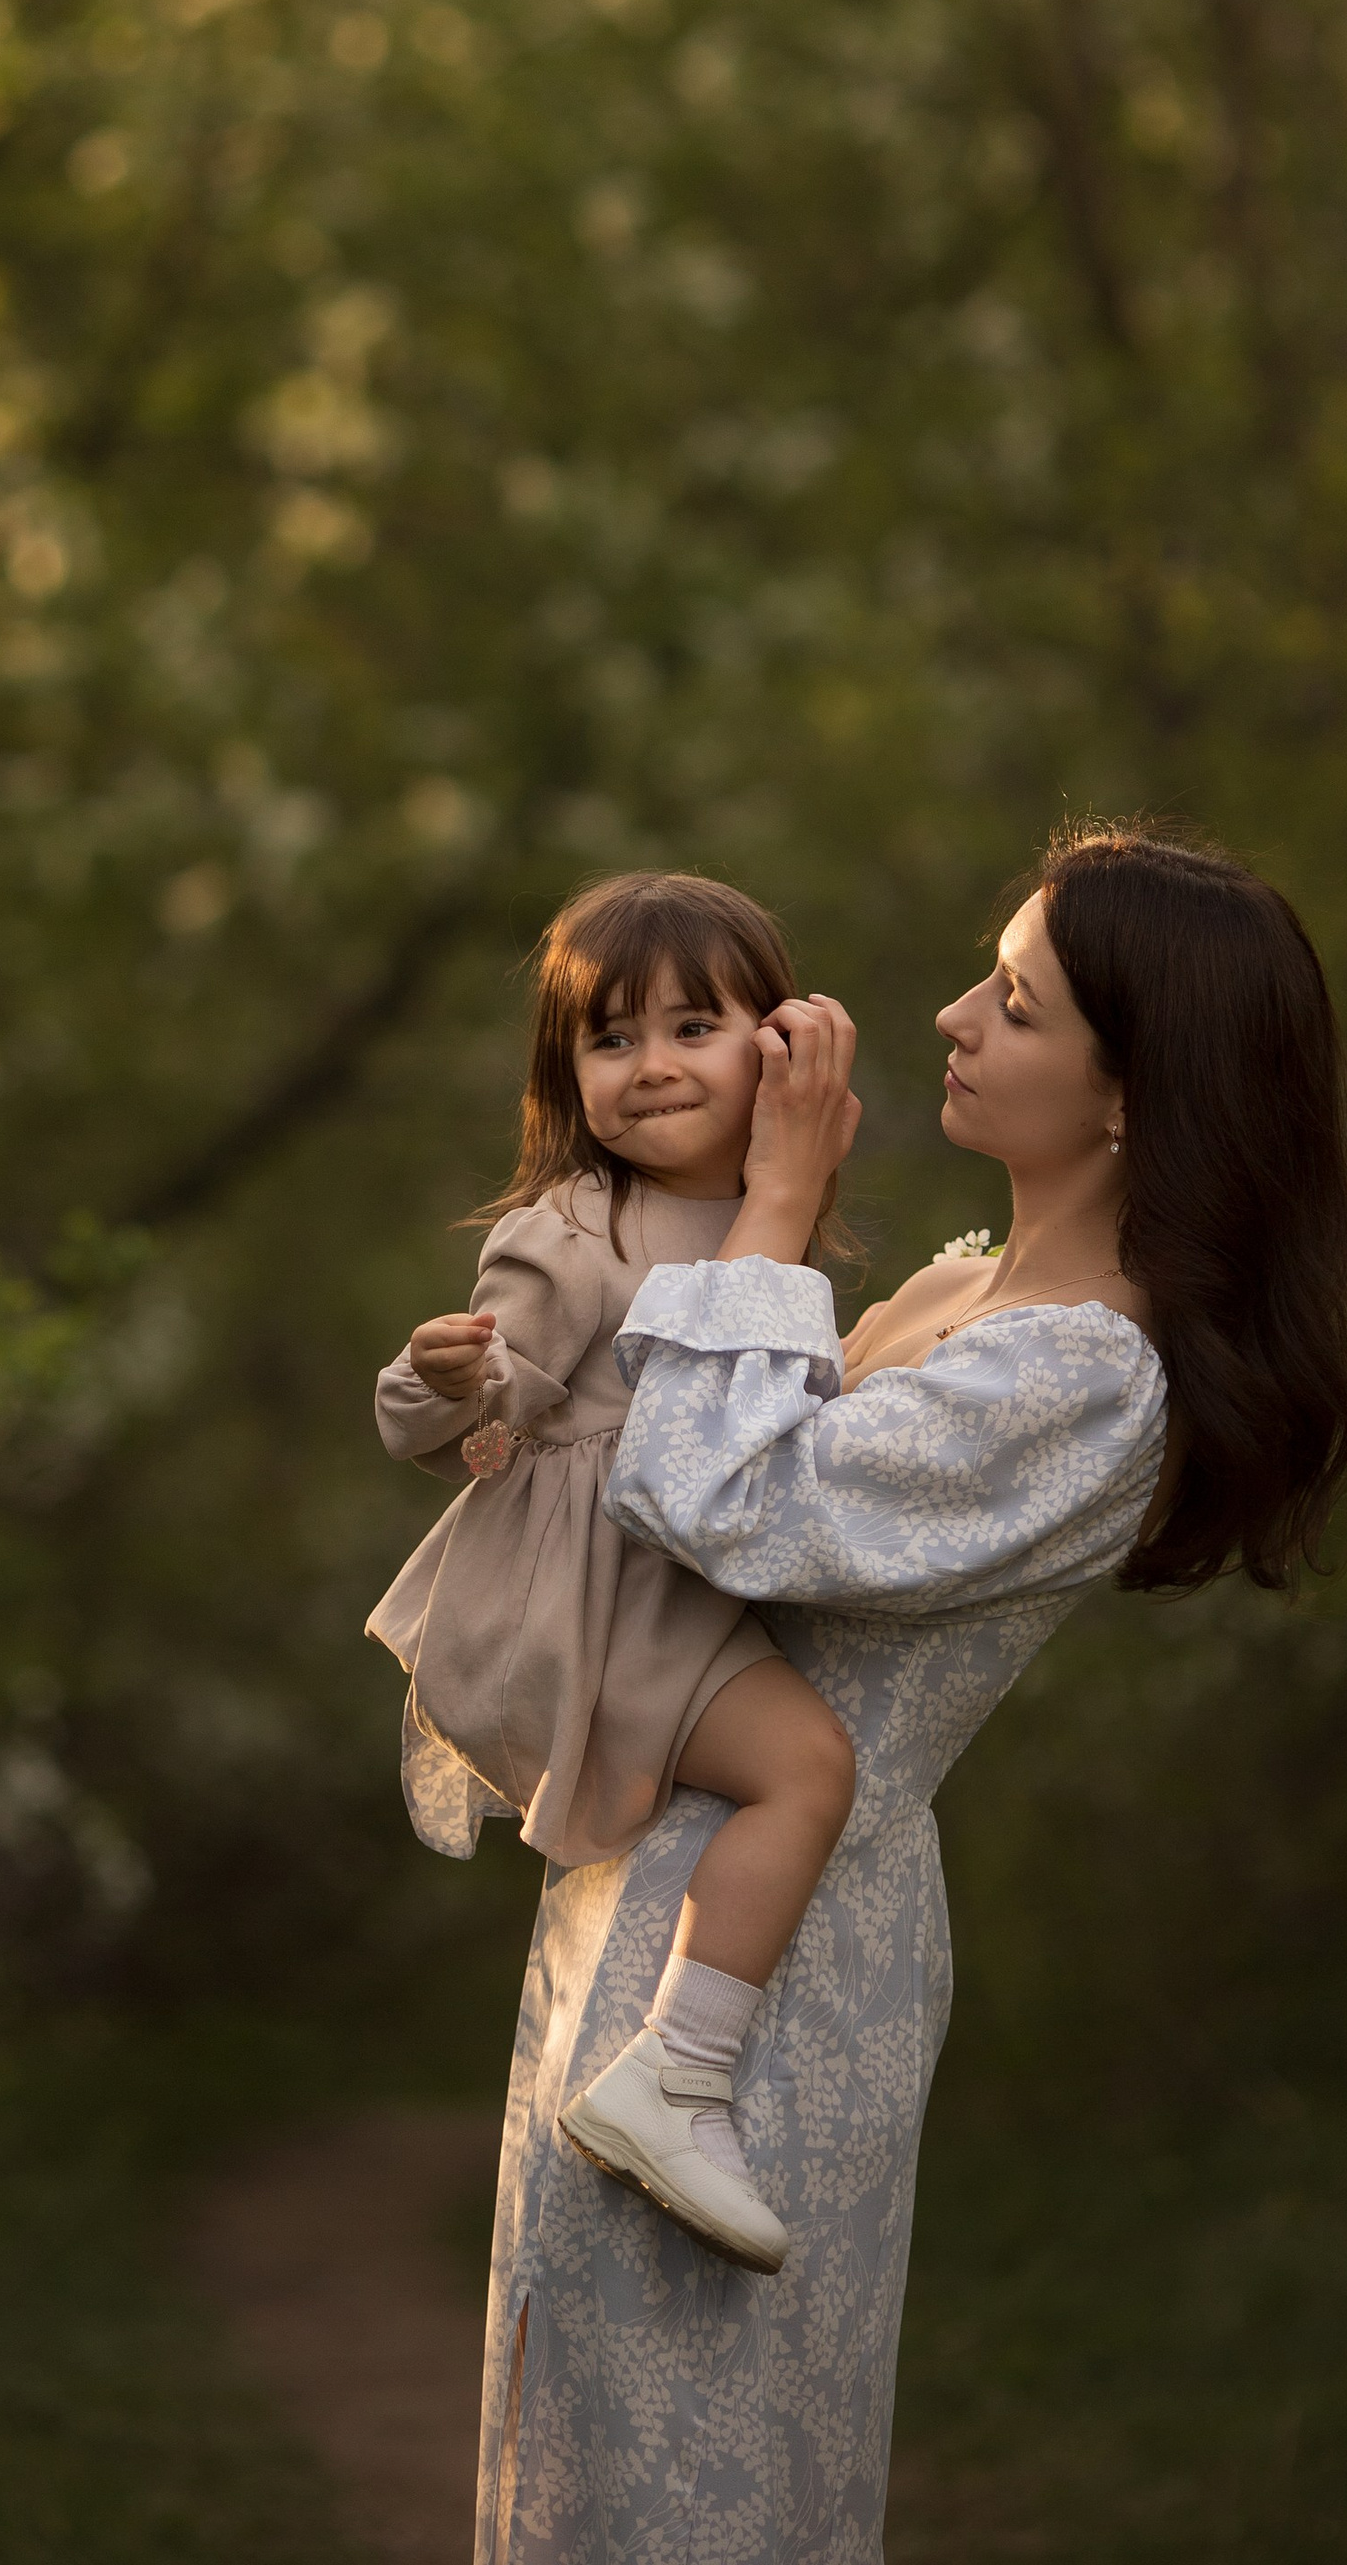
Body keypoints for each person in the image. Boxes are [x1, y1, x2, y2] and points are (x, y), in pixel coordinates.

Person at [456, 825, 1347, 2565]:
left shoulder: (1084, 1378)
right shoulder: (959, 1290)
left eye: (1015, 1003)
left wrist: (775, 1200)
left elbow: (715, 1498)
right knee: (574, 2434)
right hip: (645, 1892)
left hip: (782, 1979)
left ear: (1133, 1090)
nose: (952, 1016)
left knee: (699, 2487)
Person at [368, 873, 861, 2271]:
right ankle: (678, 2075)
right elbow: (472, 1405)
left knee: (805, 1758)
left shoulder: (771, 1217)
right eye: (611, 1038)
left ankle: (675, 2068)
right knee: (806, 1765)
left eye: (693, 1027)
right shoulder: (573, 1229)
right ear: (565, 1074)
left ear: (776, 1043)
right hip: (588, 1597)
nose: (651, 1066)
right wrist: (451, 1380)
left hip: (664, 1586)